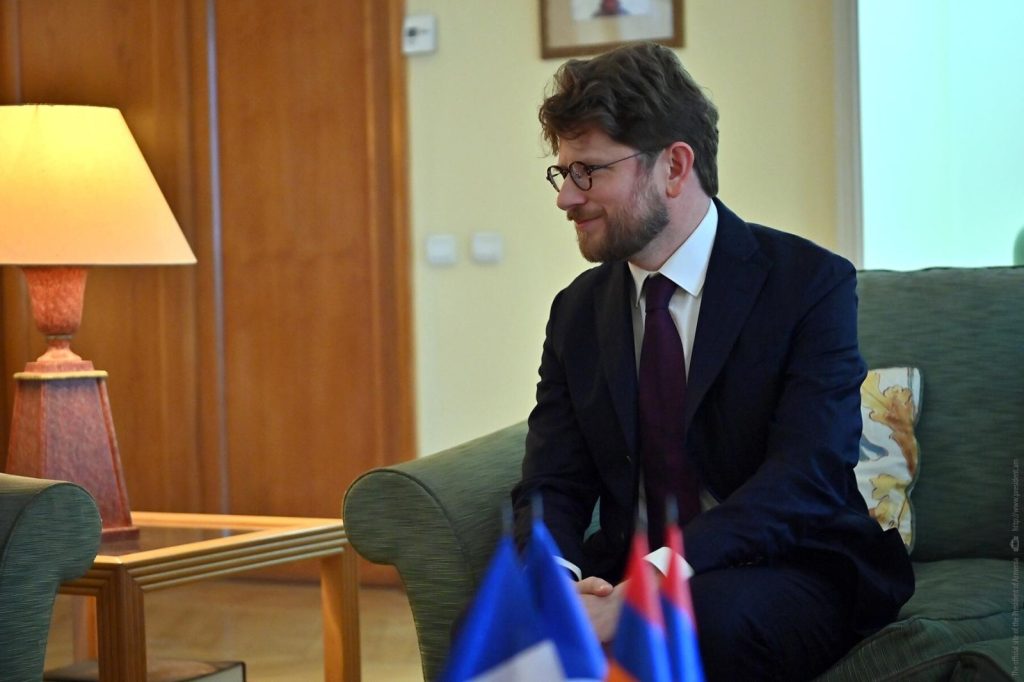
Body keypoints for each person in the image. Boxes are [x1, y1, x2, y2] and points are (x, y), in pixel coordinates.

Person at [510, 42, 914, 680]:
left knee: (693, 625)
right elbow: (553, 480)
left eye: (588, 171)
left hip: (788, 563)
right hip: (627, 565)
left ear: (673, 167)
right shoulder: (577, 311)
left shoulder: (808, 284)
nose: (567, 198)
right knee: (495, 629)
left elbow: (805, 475)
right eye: (563, 173)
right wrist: (554, 583)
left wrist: (650, 585)